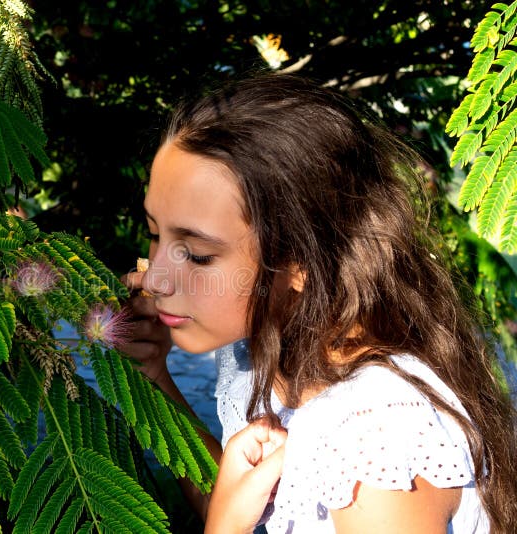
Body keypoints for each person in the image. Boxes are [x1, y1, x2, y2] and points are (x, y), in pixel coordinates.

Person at [119, 73, 517, 533]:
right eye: (155, 233)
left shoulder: (379, 443)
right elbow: (240, 500)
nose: (158, 276)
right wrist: (155, 380)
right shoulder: (263, 346)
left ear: (302, 263)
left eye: (199, 253)